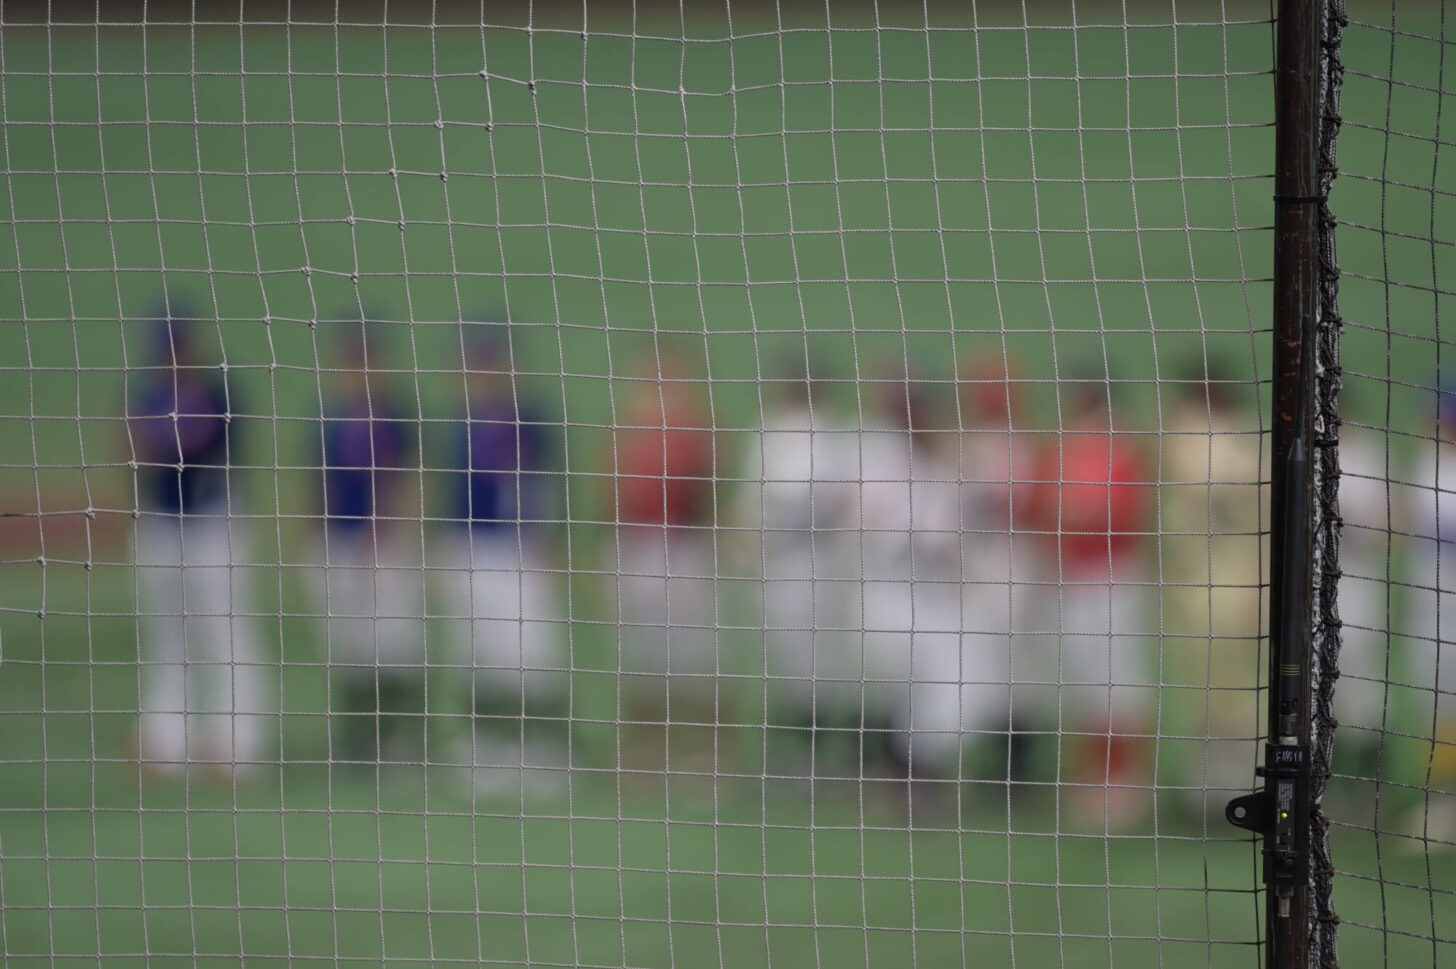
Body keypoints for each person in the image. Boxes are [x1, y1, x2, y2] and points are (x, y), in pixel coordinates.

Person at [130, 309, 264, 780]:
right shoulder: (146, 395)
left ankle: (237, 742)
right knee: (168, 635)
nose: (171, 356)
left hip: (213, 522)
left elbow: (210, 451)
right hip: (163, 522)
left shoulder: (216, 392)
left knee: (224, 632)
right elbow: (134, 452)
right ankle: (166, 740)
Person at [1026, 378, 1154, 827]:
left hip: (1112, 578)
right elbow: (1038, 508)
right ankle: (1092, 777)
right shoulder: (1058, 453)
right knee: (1082, 682)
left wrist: (1074, 511)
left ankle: (1125, 780)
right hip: (1068, 579)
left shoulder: (1123, 455)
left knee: (1118, 680)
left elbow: (1119, 516)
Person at [443, 323, 565, 794]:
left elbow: (545, 487)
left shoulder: (529, 420)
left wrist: (548, 543)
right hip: (469, 545)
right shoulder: (458, 422)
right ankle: (487, 746)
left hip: (519, 546)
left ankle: (543, 749)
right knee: (476, 653)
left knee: (530, 655)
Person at [733, 367, 859, 768]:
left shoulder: (822, 435)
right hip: (779, 562)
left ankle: (813, 755)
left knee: (811, 662)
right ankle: (794, 752)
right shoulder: (773, 431)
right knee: (787, 660)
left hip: (811, 560)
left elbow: (810, 505)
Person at [1158, 362, 1267, 816]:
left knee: (1232, 691)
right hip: (1205, 584)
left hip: (1229, 585)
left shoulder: (1221, 436)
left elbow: (1233, 492)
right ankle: (1209, 787)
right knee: (1212, 689)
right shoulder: (1195, 434)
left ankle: (1229, 785)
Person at [317, 318, 420, 765]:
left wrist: (395, 532)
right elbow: (315, 483)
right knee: (349, 649)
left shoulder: (394, 413)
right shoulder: (329, 416)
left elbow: (410, 479)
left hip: (385, 544)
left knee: (395, 644)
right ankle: (360, 742)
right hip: (336, 541)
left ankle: (405, 739)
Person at [609, 352, 718, 772]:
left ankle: (704, 753)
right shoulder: (628, 431)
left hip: (686, 546)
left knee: (697, 658)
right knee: (642, 657)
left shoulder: (696, 429)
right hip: (638, 547)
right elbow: (613, 497)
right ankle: (644, 752)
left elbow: (710, 495)